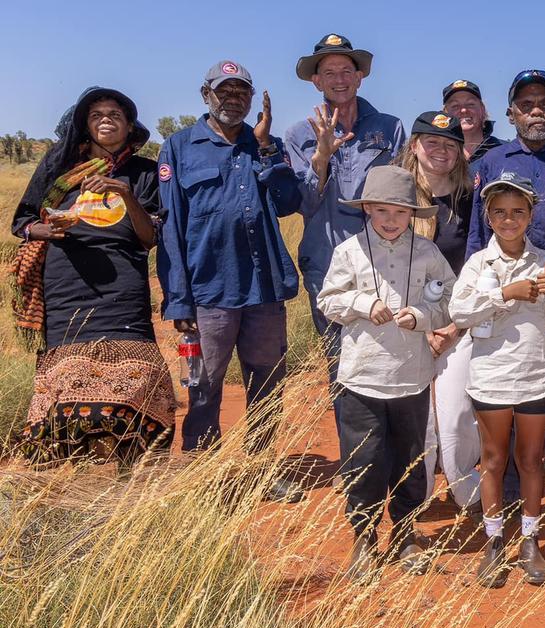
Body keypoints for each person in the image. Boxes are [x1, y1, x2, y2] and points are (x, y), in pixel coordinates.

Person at [156, 61, 303, 501]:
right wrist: (178, 300)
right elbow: (171, 229)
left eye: (242, 91)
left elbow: (288, 203)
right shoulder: (179, 148)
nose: (233, 98)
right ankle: (204, 472)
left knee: (267, 383)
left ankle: (261, 470)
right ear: (206, 94)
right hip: (207, 293)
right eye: (225, 90)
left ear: (253, 100)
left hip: (263, 291)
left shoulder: (265, 145)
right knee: (202, 384)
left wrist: (267, 154)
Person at [11, 87, 175, 466]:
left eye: (114, 114)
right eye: (96, 114)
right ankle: (69, 470)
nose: (106, 119)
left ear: (129, 125)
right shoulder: (59, 166)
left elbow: (149, 236)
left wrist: (124, 194)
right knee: (67, 378)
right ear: (85, 124)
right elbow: (23, 221)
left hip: (122, 288)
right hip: (66, 285)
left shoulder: (144, 173)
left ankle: (131, 469)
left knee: (140, 374)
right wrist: (44, 230)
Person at [465, 69, 545, 540]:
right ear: (511, 112)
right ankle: (517, 497)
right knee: (510, 404)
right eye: (526, 103)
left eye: (544, 102)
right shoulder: (493, 161)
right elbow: (477, 242)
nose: (536, 109)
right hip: (503, 316)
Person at [315, 166, 454, 582]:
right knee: (365, 459)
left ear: (412, 213)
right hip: (361, 377)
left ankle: (406, 532)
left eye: (400, 211)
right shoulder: (350, 251)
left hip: (412, 376)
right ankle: (364, 536)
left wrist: (425, 315)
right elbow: (327, 300)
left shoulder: (428, 253)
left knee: (410, 458)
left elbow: (451, 297)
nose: (391, 219)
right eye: (381, 211)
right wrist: (360, 303)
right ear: (367, 211)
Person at [451, 172, 545, 588]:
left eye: (518, 212)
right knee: (492, 459)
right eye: (500, 212)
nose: (509, 220)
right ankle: (493, 543)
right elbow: (460, 314)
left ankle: (530, 540)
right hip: (490, 378)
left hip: (534, 376)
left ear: (531, 216)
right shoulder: (478, 263)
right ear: (488, 216)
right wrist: (505, 293)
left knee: (529, 460)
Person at [285, 33, 405, 420]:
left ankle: (393, 452)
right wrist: (320, 157)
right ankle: (356, 460)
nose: (339, 79)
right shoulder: (298, 134)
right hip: (327, 264)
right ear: (316, 81)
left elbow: (402, 196)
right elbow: (303, 204)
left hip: (384, 262)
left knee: (391, 352)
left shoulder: (390, 128)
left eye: (346, 70)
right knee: (340, 360)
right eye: (328, 72)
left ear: (360, 77)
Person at [395, 110, 482, 510]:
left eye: (450, 144)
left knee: (455, 417)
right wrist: (420, 323)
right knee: (419, 422)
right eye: (432, 142)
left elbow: (479, 267)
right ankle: (418, 495)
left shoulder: (471, 200)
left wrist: (454, 326)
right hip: (406, 325)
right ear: (415, 146)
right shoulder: (396, 198)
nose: (441, 151)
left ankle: (467, 491)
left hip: (459, 324)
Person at [443, 80, 506, 162]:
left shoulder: (506, 152)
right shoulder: (438, 156)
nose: (463, 110)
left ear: (482, 109)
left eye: (470, 104)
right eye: (455, 106)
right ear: (444, 114)